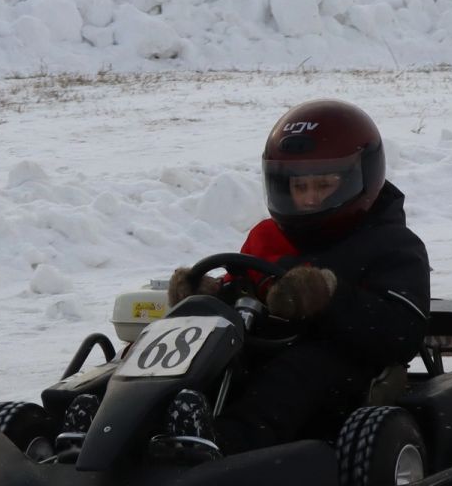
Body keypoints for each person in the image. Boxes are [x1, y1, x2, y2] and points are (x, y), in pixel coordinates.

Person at [62, 99, 431, 460]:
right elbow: (244, 290)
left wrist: (328, 296)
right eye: (299, 187)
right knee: (193, 354)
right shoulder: (267, 237)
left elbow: (400, 332)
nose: (308, 199)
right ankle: (104, 426)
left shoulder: (391, 244)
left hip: (343, 371)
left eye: (323, 185)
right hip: (263, 349)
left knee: (298, 370)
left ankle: (224, 446)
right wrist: (207, 294)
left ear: (361, 176)